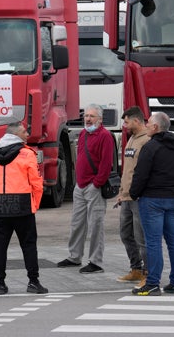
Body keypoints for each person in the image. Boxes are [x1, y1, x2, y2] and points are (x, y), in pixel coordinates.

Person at [128, 111, 174, 296]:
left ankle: (153, 283)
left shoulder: (150, 147)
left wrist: (133, 194)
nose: (146, 125)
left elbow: (140, 175)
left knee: (153, 242)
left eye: (148, 123)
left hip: (153, 200)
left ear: (155, 127)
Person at [0, 122, 48, 295]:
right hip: (22, 204)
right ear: (15, 135)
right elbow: (36, 183)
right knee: (28, 245)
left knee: (0, 246)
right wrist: (34, 204)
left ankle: (0, 283)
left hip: (1, 204)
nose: (27, 134)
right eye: (24, 131)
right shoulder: (27, 154)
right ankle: (33, 281)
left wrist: (0, 196)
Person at [57, 105, 115, 274]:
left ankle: (95, 262)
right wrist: (78, 183)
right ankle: (74, 256)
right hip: (80, 186)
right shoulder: (83, 134)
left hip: (93, 187)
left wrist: (96, 183)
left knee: (96, 224)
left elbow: (106, 164)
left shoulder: (105, 136)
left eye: (92, 116)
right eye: (86, 116)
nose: (88, 119)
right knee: (76, 223)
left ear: (100, 119)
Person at [115, 106, 150, 282]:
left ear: (137, 120)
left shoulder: (146, 141)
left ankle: (148, 274)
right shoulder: (132, 139)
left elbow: (144, 172)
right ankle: (136, 268)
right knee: (125, 234)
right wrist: (122, 192)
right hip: (126, 197)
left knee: (141, 238)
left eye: (127, 121)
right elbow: (127, 170)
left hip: (139, 198)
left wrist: (137, 193)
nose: (125, 124)